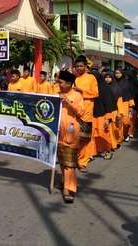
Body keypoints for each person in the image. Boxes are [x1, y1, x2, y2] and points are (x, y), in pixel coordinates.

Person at [56, 69, 84, 203]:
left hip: (71, 132)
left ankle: (69, 189)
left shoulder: (77, 95)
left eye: (60, 82)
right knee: (61, 159)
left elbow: (80, 112)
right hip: (57, 131)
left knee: (69, 163)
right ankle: (64, 181)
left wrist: (67, 100)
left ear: (69, 83)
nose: (58, 84)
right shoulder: (55, 93)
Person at [73, 55, 99, 170]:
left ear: (85, 66)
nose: (79, 68)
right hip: (74, 113)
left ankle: (82, 161)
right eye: (77, 66)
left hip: (86, 113)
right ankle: (74, 159)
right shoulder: (73, 79)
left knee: (84, 139)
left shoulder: (91, 78)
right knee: (73, 138)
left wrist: (81, 91)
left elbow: (95, 93)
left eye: (81, 66)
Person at [114, 69, 136, 141]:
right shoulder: (113, 82)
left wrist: (131, 105)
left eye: (119, 73)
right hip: (115, 104)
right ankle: (119, 137)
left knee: (125, 121)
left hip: (125, 103)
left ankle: (126, 134)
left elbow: (130, 94)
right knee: (117, 121)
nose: (117, 75)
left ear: (122, 74)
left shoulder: (127, 83)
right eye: (116, 73)